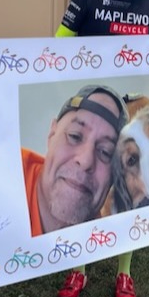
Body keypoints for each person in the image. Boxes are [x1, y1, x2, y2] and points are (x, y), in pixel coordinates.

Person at [54, 0, 149, 297]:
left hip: (132, 108)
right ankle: (79, 267)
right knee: (89, 181)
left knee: (126, 187)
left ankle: (124, 272)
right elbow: (56, 46)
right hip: (95, 105)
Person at [23, 84, 128, 236]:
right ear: (52, 134)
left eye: (105, 152)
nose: (86, 161)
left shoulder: (106, 243)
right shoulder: (3, 171)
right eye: (75, 136)